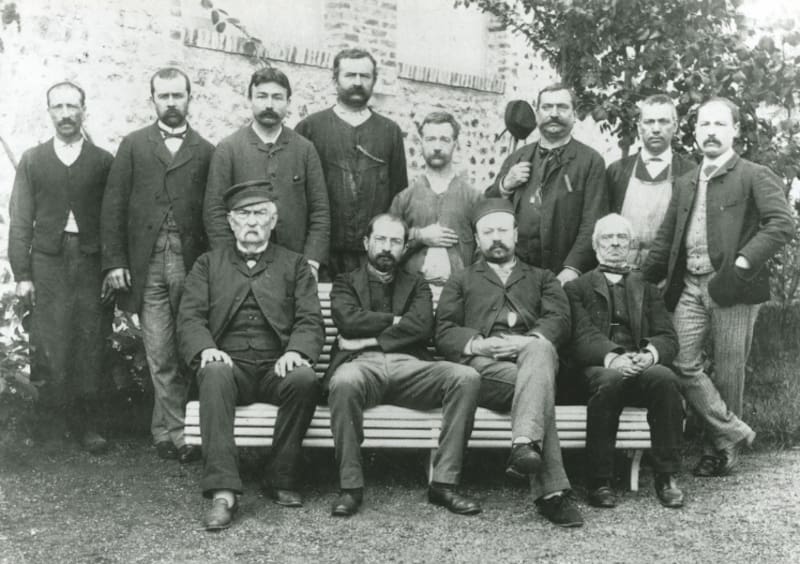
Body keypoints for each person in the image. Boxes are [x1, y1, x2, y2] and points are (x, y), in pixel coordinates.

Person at [643, 97, 794, 477]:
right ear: (694, 133)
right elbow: (666, 239)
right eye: (704, 126)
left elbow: (782, 224)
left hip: (734, 286)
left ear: (735, 131)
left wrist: (743, 262)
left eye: (719, 125)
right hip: (688, 285)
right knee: (678, 360)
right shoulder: (686, 181)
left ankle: (719, 451)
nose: (710, 132)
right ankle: (733, 430)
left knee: (729, 371)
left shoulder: (754, 175)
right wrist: (640, 279)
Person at [177, 180, 323, 531]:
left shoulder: (295, 264)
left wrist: (297, 351)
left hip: (277, 366)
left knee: (303, 378)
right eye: (244, 215)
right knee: (211, 372)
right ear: (230, 222)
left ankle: (280, 476)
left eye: (260, 214)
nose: (252, 222)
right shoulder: (207, 265)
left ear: (273, 221)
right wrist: (208, 349)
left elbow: (309, 319)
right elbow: (190, 318)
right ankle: (223, 492)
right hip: (231, 368)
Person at [435, 198, 583, 528]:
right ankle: (549, 491)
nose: (496, 237)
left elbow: (560, 320)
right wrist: (480, 344)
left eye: (503, 230)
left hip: (534, 363)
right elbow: (443, 331)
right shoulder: (460, 280)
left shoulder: (543, 277)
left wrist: (526, 342)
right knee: (538, 387)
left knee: (540, 351)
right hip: (482, 370)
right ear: (476, 238)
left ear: (516, 234)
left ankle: (524, 447)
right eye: (488, 231)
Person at [325, 214, 482, 517]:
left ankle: (444, 483)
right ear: (366, 242)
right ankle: (351, 487)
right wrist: (395, 322)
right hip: (360, 368)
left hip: (411, 368)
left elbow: (422, 327)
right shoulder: (345, 282)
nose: (387, 247)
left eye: (395, 241)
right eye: (381, 240)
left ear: (404, 246)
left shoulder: (417, 284)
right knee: (343, 382)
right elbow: (347, 319)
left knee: (466, 376)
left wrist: (366, 340)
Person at [101, 67, 213, 463]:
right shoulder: (133, 145)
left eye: (177, 95)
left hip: (189, 260)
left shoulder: (205, 149)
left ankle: (162, 429)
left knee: (186, 347)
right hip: (146, 262)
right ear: (152, 100)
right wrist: (114, 261)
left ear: (189, 98)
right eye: (163, 96)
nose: (171, 103)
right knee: (159, 347)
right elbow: (113, 206)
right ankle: (180, 434)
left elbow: (212, 212)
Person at [8, 80, 113, 453]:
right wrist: (22, 274)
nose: (66, 114)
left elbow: (113, 218)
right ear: (49, 111)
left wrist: (110, 266)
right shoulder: (33, 160)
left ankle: (88, 425)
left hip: (90, 259)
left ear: (85, 110)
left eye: (73, 106)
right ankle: (50, 426)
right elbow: (20, 219)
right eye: (58, 107)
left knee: (90, 339)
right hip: (47, 262)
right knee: (48, 340)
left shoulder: (103, 161)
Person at [564, 214, 684, 508]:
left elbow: (668, 337)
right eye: (607, 237)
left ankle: (666, 476)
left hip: (639, 368)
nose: (615, 243)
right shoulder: (576, 288)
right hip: (595, 372)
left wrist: (648, 355)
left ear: (631, 245)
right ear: (595, 245)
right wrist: (614, 357)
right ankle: (599, 480)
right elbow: (579, 337)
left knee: (665, 378)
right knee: (610, 380)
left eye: (622, 238)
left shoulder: (647, 287)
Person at [204, 67, 329, 280]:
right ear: (250, 100)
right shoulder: (229, 148)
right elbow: (214, 211)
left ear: (288, 102)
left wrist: (312, 260)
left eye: (277, 97)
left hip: (294, 265)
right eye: (262, 96)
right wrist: (229, 261)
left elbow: (320, 211)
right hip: (242, 265)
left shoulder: (305, 149)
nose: (269, 104)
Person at [295, 48, 408, 279]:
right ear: (335, 80)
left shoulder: (390, 131)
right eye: (350, 75)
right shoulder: (310, 127)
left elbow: (399, 196)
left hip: (373, 260)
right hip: (323, 256)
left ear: (374, 80)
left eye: (365, 76)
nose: (358, 82)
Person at [486, 83, 607, 285]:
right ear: (537, 114)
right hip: (515, 275)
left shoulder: (590, 162)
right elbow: (488, 210)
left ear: (574, 114)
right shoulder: (517, 158)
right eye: (547, 107)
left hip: (564, 277)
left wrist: (572, 269)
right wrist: (505, 185)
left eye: (562, 107)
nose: (554, 114)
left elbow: (593, 223)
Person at [389, 111, 481, 285]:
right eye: (431, 139)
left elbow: (483, 249)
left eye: (444, 140)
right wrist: (419, 236)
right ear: (421, 143)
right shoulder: (404, 199)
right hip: (412, 291)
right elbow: (388, 244)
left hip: (457, 294)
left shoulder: (473, 197)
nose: (437, 146)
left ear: (455, 144)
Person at [606, 94, 697, 268]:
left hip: (667, 274)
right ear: (640, 127)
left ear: (675, 126)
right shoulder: (617, 171)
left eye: (663, 122)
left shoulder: (689, 172)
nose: (656, 129)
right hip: (619, 270)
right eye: (649, 122)